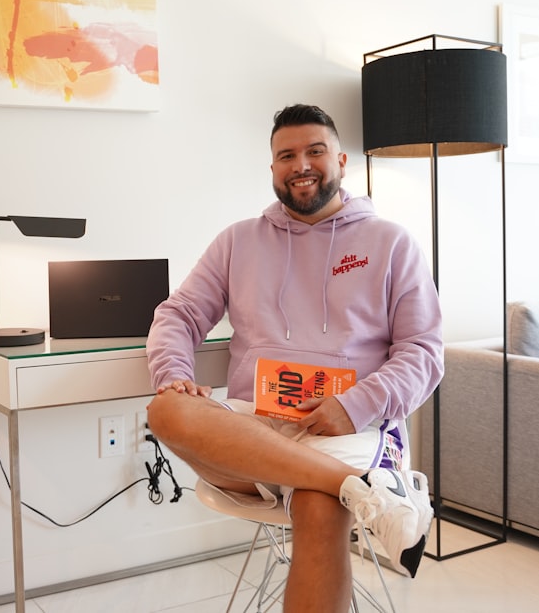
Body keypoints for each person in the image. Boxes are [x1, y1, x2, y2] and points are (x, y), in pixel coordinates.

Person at [145, 104, 443, 612]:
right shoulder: (238, 240)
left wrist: (354, 405)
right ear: (273, 169)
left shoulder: (391, 243)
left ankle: (342, 484)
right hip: (252, 432)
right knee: (166, 409)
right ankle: (364, 491)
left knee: (318, 505)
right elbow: (179, 313)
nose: (300, 164)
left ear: (342, 161)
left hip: (348, 429)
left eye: (315, 151)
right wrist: (175, 374)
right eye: (287, 155)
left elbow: (424, 352)